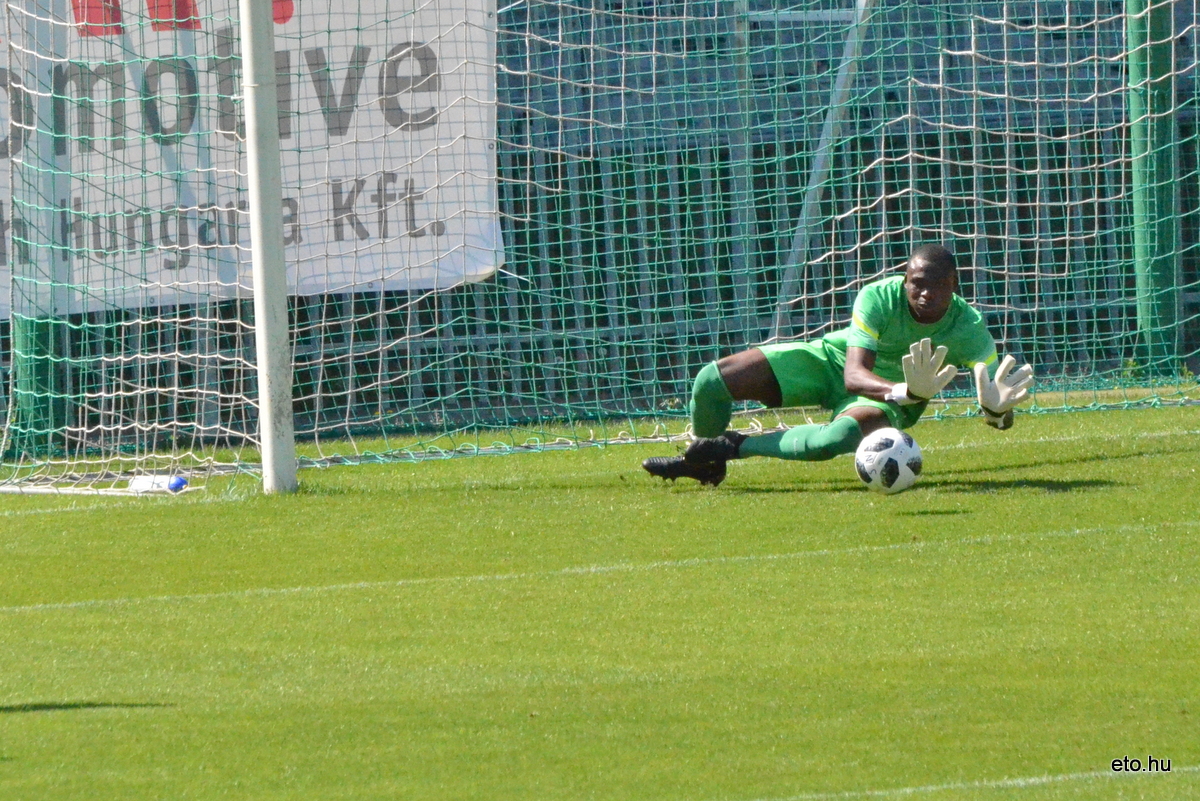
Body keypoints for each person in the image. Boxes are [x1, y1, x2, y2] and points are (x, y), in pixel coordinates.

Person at [642, 244, 1034, 486]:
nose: (924, 293)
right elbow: (852, 375)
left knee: (832, 440)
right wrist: (908, 389)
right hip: (832, 362)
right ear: (905, 279)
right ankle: (702, 462)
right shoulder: (878, 297)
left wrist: (998, 414)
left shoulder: (970, 329)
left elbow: (995, 401)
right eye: (916, 283)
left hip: (888, 404)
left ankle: (733, 447)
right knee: (713, 380)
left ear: (955, 283)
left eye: (936, 285)